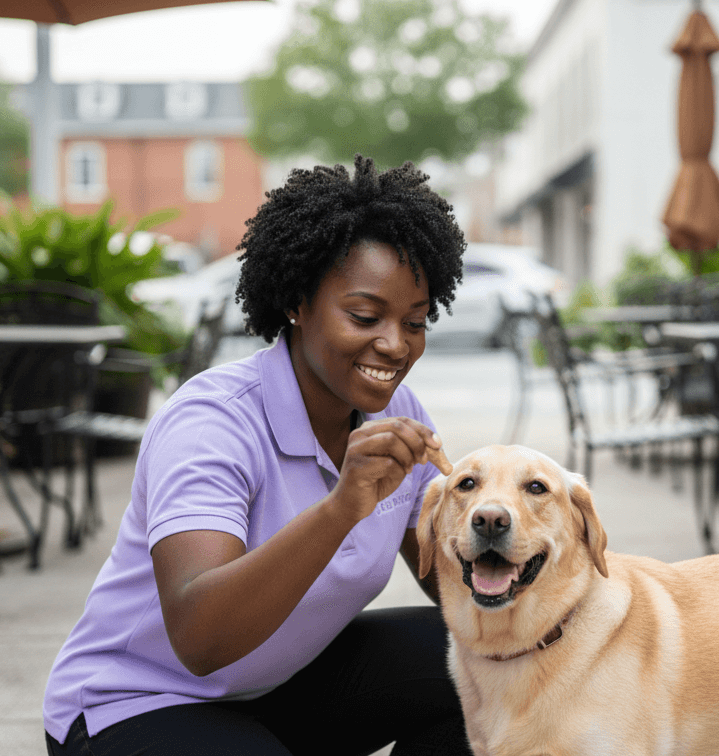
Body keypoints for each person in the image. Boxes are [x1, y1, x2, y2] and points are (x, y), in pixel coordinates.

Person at [43, 156, 472, 756]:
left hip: (277, 693)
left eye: (416, 322)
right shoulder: (212, 424)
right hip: (140, 703)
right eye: (365, 316)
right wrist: (342, 507)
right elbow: (201, 638)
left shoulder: (399, 415)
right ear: (297, 300)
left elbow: (450, 584)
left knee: (474, 667)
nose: (396, 345)